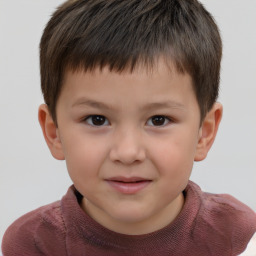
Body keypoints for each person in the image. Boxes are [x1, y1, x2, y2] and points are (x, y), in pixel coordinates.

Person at [2, 0, 256, 255]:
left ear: (204, 132)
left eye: (158, 120)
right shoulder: (33, 245)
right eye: (97, 119)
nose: (127, 152)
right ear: (54, 132)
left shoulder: (239, 238)